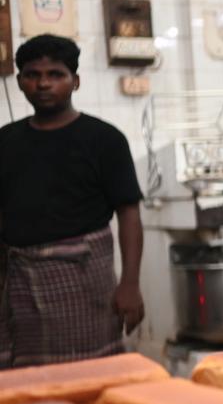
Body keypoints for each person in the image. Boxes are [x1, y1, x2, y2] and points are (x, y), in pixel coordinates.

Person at [0, 35, 145, 367]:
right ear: (20, 81)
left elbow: (129, 213)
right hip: (18, 280)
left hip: (84, 282)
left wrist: (130, 284)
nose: (43, 84)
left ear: (75, 81)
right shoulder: (5, 142)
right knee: (23, 381)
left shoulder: (105, 139)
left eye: (55, 74)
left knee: (88, 376)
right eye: (33, 75)